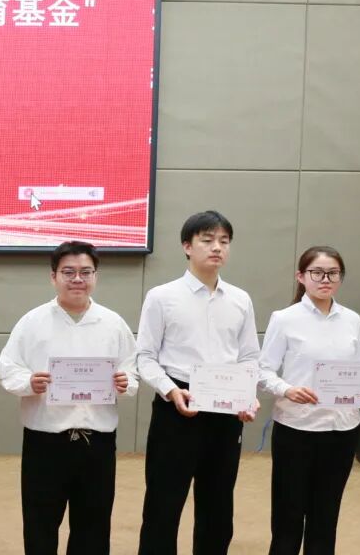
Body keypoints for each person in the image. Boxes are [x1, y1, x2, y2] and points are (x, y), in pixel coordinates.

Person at [0, 240, 138, 555]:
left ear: (95, 276)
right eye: (69, 272)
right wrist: (29, 382)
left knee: (93, 527)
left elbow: (133, 370)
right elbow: (7, 369)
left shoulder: (113, 323)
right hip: (45, 441)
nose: (77, 279)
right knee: (40, 525)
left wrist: (125, 382)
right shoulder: (32, 322)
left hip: (97, 442)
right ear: (53, 277)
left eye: (85, 272)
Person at [136, 210, 260, 555]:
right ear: (187, 246)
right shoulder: (162, 296)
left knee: (218, 505)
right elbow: (144, 356)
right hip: (177, 403)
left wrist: (247, 395)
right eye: (207, 240)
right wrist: (170, 390)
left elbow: (250, 356)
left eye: (224, 241)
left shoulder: (240, 299)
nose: (216, 247)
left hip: (226, 407)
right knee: (163, 503)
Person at [258, 246, 360, 555]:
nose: (325, 279)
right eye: (317, 272)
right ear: (301, 276)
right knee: (288, 518)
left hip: (342, 430)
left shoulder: (351, 319)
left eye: (333, 273)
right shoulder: (284, 319)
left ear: (341, 278)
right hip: (296, 429)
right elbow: (263, 371)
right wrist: (287, 389)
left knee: (325, 517)